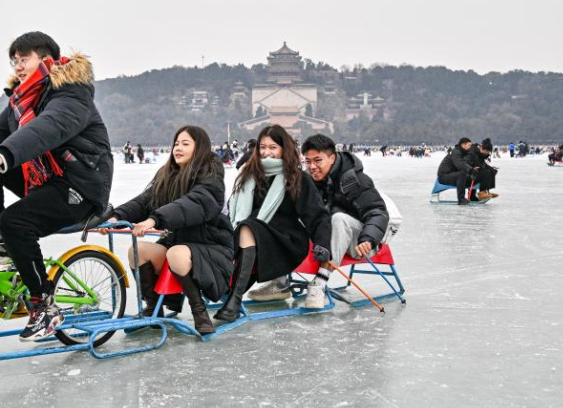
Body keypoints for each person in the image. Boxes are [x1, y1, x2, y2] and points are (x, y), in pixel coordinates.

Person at [0, 31, 113, 342]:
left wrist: (1, 155)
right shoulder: (23, 99)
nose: (18, 66)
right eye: (14, 61)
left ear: (46, 60)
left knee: (16, 220)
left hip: (80, 187)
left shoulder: (71, 94)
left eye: (24, 59)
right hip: (47, 180)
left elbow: (46, 129)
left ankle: (44, 305)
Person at [106, 126, 233, 334]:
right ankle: (153, 308)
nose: (178, 148)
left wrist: (156, 219)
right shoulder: (168, 175)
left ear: (199, 147)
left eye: (185, 143)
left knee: (177, 253)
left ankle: (199, 311)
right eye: (176, 143)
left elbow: (194, 203)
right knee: (138, 251)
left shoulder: (211, 176)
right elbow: (144, 201)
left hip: (211, 246)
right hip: (180, 241)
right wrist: (117, 217)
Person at [250, 134, 393, 304]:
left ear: (332, 158)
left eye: (318, 161)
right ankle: (280, 282)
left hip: (361, 241)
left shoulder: (354, 181)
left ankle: (320, 282)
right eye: (308, 162)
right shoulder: (307, 180)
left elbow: (377, 212)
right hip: (327, 238)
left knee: (339, 219)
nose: (312, 167)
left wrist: (368, 239)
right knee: (284, 216)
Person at [216, 125, 332, 321]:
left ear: (283, 149)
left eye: (272, 147)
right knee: (245, 228)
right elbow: (233, 208)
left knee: (247, 228)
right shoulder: (249, 175)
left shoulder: (297, 178)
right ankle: (229, 292)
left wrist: (322, 245)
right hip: (254, 233)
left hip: (286, 240)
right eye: (262, 147)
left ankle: (234, 299)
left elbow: (318, 216)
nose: (266, 152)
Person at [437, 137, 477, 205]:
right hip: (444, 176)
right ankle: (461, 199)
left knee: (473, 175)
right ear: (463, 145)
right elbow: (460, 164)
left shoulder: (464, 152)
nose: (470, 147)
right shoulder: (456, 152)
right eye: (469, 145)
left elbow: (467, 163)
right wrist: (470, 169)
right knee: (461, 174)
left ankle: (472, 196)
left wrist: (474, 169)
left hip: (452, 174)